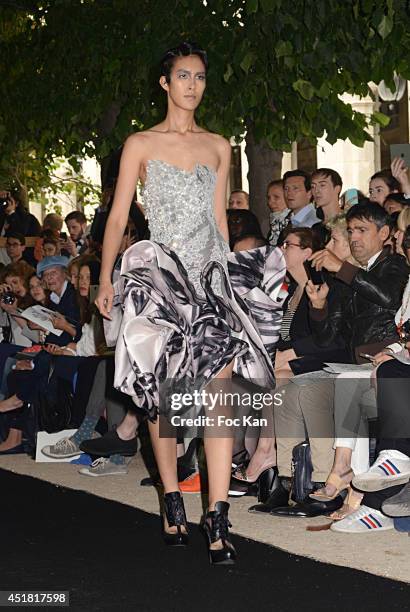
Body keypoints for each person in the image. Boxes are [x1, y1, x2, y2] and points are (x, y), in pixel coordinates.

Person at [95, 42, 285, 565]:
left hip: (210, 279)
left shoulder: (220, 146)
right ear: (165, 83)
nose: (192, 86)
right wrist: (106, 278)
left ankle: (218, 516)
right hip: (158, 279)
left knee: (222, 391)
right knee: (167, 396)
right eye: (183, 76)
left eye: (199, 77)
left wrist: (232, 284)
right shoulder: (139, 143)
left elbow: (221, 221)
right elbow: (117, 219)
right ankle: (172, 498)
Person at [266, 179, 290, 246]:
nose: (270, 202)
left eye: (276, 197)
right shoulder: (274, 221)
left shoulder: (293, 221)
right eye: (269, 198)